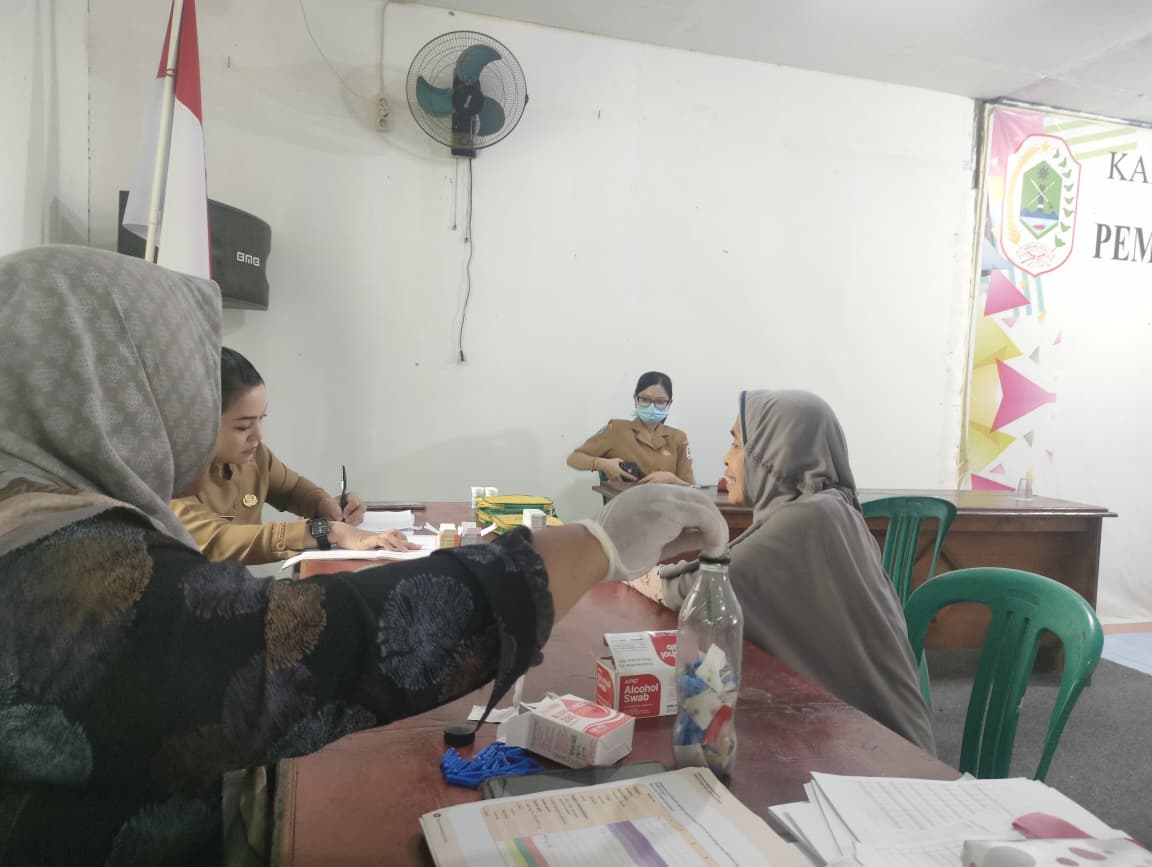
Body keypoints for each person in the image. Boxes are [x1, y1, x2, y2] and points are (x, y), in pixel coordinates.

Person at [0, 245, 728, 866]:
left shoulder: (42, 521)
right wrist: (592, 547)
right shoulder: (64, 573)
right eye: (178, 383)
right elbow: (321, 645)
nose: (194, 414)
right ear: (115, 391)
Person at [660, 389, 936, 753]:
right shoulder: (830, 508)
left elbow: (702, 590)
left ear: (775, 452)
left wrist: (649, 573)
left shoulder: (809, 520)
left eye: (738, 444)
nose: (726, 458)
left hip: (888, 756)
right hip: (854, 736)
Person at [171, 347, 412, 565]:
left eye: (262, 418)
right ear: (200, 422)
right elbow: (221, 540)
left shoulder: (255, 457)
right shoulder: (171, 481)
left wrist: (326, 506)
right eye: (243, 426)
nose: (258, 435)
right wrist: (329, 531)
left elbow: (292, 488)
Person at [566, 371, 695, 485]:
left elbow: (691, 487)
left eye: (660, 402)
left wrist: (672, 479)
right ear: (635, 399)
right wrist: (603, 464)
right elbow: (574, 458)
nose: (652, 406)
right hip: (626, 502)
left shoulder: (678, 438)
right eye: (645, 399)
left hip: (668, 502)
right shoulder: (616, 429)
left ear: (669, 403)